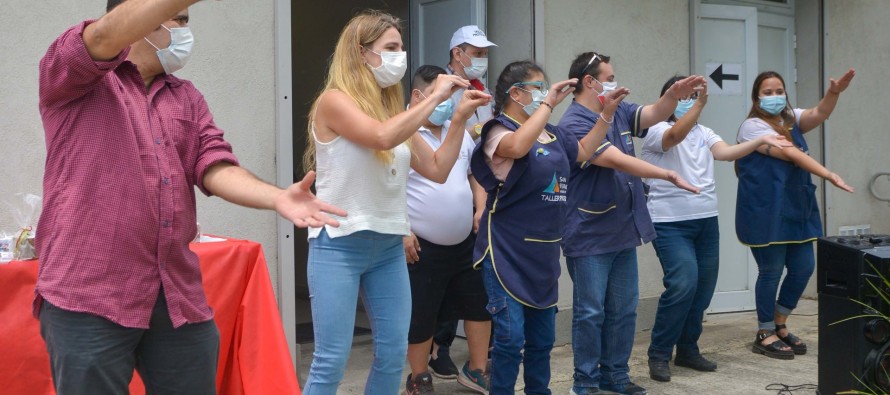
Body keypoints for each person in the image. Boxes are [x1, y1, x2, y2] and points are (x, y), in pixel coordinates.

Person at [35, 1, 346, 394]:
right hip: (89, 293)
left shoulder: (186, 97)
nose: (185, 30)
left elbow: (213, 165)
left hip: (174, 294)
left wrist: (277, 197)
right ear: (138, 20)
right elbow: (99, 37)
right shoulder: (74, 78)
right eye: (177, 19)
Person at [303, 10, 491, 394]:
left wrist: (457, 119)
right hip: (339, 244)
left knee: (391, 358)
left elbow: (437, 169)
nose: (399, 57)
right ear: (360, 52)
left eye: (401, 48)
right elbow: (381, 137)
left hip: (388, 246)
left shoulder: (393, 113)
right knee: (330, 362)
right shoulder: (333, 102)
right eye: (390, 48)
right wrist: (435, 96)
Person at [472, 59, 632, 395]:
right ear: (516, 93)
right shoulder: (496, 130)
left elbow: (586, 150)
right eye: (538, 87)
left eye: (546, 89)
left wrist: (607, 114)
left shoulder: (555, 133)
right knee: (510, 338)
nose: (545, 94)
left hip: (542, 253)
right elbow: (517, 148)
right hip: (505, 252)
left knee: (542, 340)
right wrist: (548, 104)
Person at [557, 52, 704, 395]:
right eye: (608, 76)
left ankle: (616, 376)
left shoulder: (619, 109)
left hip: (623, 228)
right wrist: (666, 173)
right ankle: (586, 381)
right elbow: (617, 160)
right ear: (590, 82)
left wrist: (674, 95)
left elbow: (653, 114)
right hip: (590, 232)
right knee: (591, 312)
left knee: (623, 310)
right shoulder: (573, 123)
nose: (614, 81)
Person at [640, 76, 792, 382]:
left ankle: (687, 349)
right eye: (685, 97)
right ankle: (658, 353)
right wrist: (699, 104)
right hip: (670, 223)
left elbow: (724, 153)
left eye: (695, 97)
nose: (691, 102)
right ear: (669, 98)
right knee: (683, 283)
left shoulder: (703, 131)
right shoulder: (655, 130)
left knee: (703, 290)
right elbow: (673, 138)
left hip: (706, 220)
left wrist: (760, 141)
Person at [737, 69, 855, 360]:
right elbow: (790, 153)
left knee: (803, 267)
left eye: (780, 91)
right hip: (766, 212)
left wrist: (834, 92)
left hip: (796, 209)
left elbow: (818, 113)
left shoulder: (791, 119)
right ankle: (764, 331)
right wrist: (828, 174)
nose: (775, 97)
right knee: (771, 270)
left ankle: (780, 322)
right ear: (756, 98)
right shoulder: (752, 126)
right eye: (768, 92)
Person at [402, 65, 491, 395]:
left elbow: (472, 175)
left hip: (464, 241)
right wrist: (402, 230)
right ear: (418, 96)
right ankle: (418, 377)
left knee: (478, 305)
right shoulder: (403, 131)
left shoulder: (460, 133)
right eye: (443, 96)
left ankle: (477, 370)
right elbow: (389, 185)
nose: (448, 105)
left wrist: (480, 208)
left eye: (452, 98)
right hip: (422, 244)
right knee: (422, 314)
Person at [429, 24, 497, 380]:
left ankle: (481, 355)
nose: (482, 59)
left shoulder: (482, 90)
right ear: (459, 53)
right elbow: (435, 127)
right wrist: (472, 131)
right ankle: (436, 345)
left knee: (472, 277)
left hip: (482, 186)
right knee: (446, 276)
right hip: (451, 181)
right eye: (478, 52)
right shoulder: (442, 88)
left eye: (485, 53)